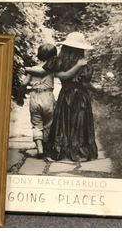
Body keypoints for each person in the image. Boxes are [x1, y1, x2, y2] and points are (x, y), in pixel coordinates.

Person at [38, 32, 98, 162]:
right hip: (68, 94)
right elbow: (63, 76)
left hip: (79, 95)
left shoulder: (83, 63)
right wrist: (78, 66)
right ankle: (68, 150)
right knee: (70, 121)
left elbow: (85, 81)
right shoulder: (60, 61)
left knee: (76, 122)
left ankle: (78, 150)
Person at [18, 43, 58, 158]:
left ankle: (40, 149)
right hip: (48, 97)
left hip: (35, 97)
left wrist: (20, 98)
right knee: (49, 123)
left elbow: (23, 84)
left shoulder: (33, 69)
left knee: (36, 124)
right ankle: (47, 147)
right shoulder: (52, 69)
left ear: (39, 55)